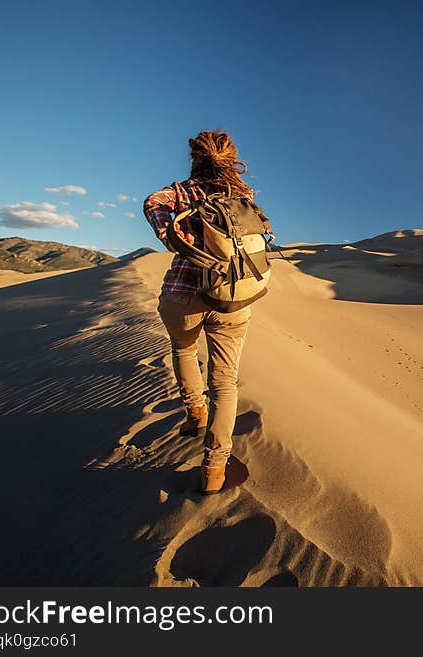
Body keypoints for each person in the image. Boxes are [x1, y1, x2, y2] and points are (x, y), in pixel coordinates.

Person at [142, 130, 255, 495]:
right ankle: (215, 467)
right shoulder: (243, 197)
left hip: (183, 295)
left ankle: (195, 413)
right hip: (232, 297)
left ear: (197, 158)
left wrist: (171, 236)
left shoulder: (183, 190)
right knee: (225, 381)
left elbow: (151, 203)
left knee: (183, 350)